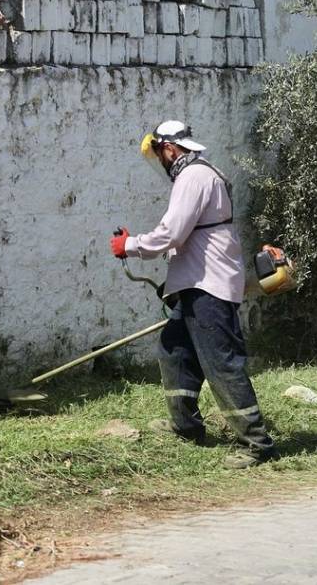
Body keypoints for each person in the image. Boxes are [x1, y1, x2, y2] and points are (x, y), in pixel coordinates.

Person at [110, 120, 277, 469]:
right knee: (174, 351)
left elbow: (171, 233)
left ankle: (257, 443)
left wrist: (130, 244)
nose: (161, 163)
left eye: (159, 155)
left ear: (169, 148)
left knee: (221, 363)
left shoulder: (194, 177)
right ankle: (186, 427)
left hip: (208, 287)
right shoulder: (198, 174)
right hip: (194, 284)